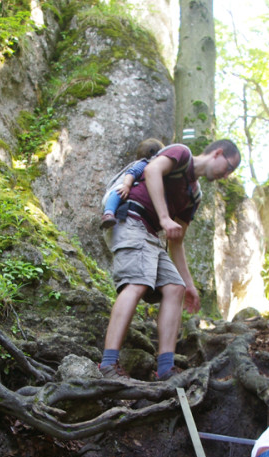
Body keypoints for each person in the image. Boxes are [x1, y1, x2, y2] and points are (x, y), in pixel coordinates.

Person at [98, 139, 241, 381]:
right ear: (217, 153)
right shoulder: (181, 153)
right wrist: (164, 218)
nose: (226, 175)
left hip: (150, 233)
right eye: (228, 167)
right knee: (137, 282)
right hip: (130, 218)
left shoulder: (194, 195)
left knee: (175, 288)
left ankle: (165, 368)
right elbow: (153, 170)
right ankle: (109, 364)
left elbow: (177, 241)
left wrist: (190, 285)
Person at [101, 138, 165, 228]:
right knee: (120, 192)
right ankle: (108, 214)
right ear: (153, 154)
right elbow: (131, 173)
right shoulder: (144, 163)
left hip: (115, 199)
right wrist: (126, 186)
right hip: (115, 193)